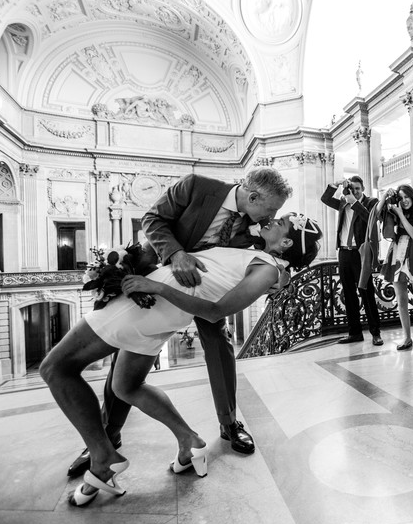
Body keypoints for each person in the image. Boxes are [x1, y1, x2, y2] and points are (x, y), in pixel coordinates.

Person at [41, 214, 322, 506]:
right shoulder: (261, 256)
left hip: (145, 308)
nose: (272, 219)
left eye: (282, 222)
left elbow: (215, 312)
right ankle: (189, 440)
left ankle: (102, 456)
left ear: (287, 241)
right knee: (126, 386)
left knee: (55, 368)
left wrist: (158, 287)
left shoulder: (269, 271)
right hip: (157, 314)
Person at [66, 168, 291, 478]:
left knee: (220, 343)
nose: (270, 217)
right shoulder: (198, 186)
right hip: (162, 276)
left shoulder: (255, 223)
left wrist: (283, 274)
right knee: (125, 349)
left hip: (208, 290)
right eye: (270, 210)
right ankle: (108, 435)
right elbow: (152, 220)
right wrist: (176, 253)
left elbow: (277, 250)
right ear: (252, 196)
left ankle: (229, 424)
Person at [320, 176, 383, 346]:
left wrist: (354, 201)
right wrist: (335, 185)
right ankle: (354, 332)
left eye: (357, 188)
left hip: (361, 253)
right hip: (344, 252)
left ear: (362, 189)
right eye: (351, 188)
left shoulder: (371, 202)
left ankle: (375, 333)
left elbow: (369, 217)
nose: (354, 191)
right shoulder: (342, 203)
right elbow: (325, 199)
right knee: (348, 294)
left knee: (366, 292)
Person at [376, 185, 413, 351]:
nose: (404, 201)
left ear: (412, 196)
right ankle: (407, 338)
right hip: (396, 254)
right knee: (401, 300)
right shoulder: (393, 213)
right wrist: (384, 197)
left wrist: (400, 214)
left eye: (406, 197)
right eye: (400, 198)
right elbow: (376, 215)